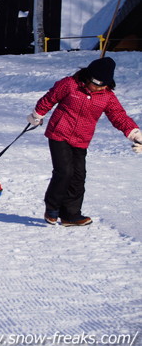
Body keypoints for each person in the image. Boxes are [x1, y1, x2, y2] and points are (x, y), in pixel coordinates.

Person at [26, 57, 141, 227]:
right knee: (64, 172)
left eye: (103, 85)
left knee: (78, 177)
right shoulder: (70, 84)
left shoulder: (107, 96)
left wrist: (135, 134)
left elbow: (119, 116)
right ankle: (52, 209)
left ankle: (70, 215)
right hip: (59, 133)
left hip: (81, 139)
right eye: (95, 83)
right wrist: (37, 115)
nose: (98, 87)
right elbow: (50, 98)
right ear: (88, 76)